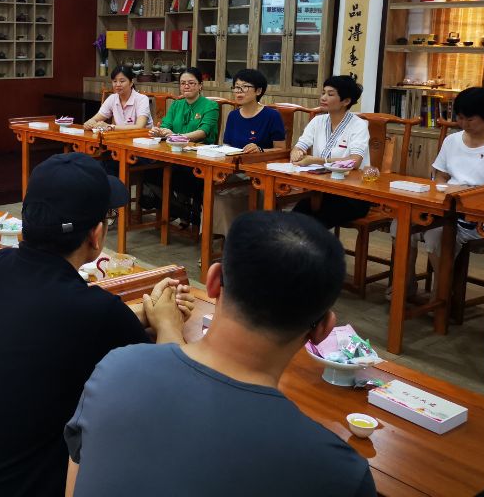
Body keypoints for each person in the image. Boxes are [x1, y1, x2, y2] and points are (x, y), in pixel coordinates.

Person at [0, 152, 194, 497]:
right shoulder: (96, 313)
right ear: (96, 236)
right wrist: (168, 324)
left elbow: (57, 325)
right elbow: (177, 392)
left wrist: (142, 315)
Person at [64, 211, 376, 497]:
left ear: (213, 281)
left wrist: (167, 327)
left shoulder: (114, 371)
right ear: (324, 329)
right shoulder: (340, 474)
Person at [392, 87, 484, 301]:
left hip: (478, 214)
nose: (463, 124)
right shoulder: (452, 140)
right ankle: (406, 282)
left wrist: (463, 197)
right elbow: (440, 175)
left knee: (436, 234)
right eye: (460, 118)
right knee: (400, 222)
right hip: (446, 206)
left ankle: (442, 293)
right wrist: (440, 193)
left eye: (470, 119)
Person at [211, 68, 287, 237]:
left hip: (259, 174)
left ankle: (237, 239)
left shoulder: (271, 116)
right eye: (236, 87)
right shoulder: (233, 116)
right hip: (235, 170)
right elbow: (227, 147)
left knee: (222, 196)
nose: (239, 91)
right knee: (210, 189)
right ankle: (224, 238)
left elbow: (282, 150)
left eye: (245, 87)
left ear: (258, 91)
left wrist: (260, 150)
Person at [291, 75, 370, 228]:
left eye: (330, 94)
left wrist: (315, 160)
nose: (323, 98)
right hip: (321, 190)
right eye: (323, 93)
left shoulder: (359, 125)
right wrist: (297, 152)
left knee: (311, 226)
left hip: (352, 194)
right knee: (293, 220)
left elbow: (354, 161)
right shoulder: (317, 121)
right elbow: (299, 146)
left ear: (346, 101)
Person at [145, 67, 220, 225]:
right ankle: (183, 211)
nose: (186, 86)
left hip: (198, 158)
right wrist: (159, 131)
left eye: (191, 83)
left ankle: (180, 210)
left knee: (181, 176)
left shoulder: (211, 106)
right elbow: (166, 125)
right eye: (183, 83)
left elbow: (203, 132)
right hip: (174, 155)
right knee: (149, 172)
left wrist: (176, 136)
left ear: (200, 85)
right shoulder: (176, 105)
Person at [82, 65, 153, 130]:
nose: (118, 84)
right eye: (115, 81)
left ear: (131, 82)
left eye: (122, 81)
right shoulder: (112, 98)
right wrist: (89, 123)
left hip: (142, 138)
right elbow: (95, 119)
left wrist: (110, 127)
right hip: (120, 137)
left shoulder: (142, 99)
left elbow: (139, 127)